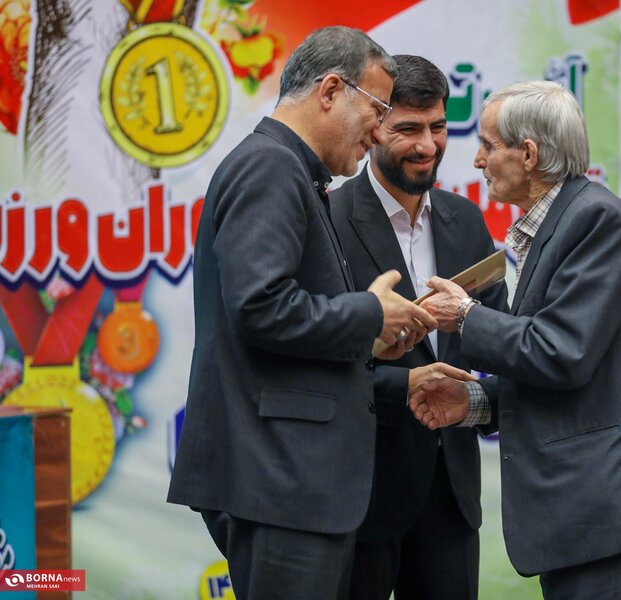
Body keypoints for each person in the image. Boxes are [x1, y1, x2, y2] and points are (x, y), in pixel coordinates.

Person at [167, 27, 437, 600]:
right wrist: (369, 314)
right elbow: (259, 306)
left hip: (289, 480)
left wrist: (370, 338)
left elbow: (278, 316)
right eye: (379, 108)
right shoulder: (270, 167)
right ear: (332, 91)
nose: (379, 130)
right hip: (279, 478)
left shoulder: (291, 169)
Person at [410, 81, 621, 599]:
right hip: (585, 517)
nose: (477, 161)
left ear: (529, 154)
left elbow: (560, 353)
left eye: (488, 145)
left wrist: (465, 315)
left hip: (604, 514)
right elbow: (560, 374)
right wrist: (473, 402)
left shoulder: (595, 221)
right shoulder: (563, 222)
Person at [330, 55, 508, 600]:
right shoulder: (327, 219)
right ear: (372, 128)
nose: (427, 145)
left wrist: (480, 400)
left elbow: (501, 337)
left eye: (438, 127)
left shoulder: (466, 219)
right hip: (358, 497)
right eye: (408, 129)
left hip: (451, 498)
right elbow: (316, 357)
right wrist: (405, 385)